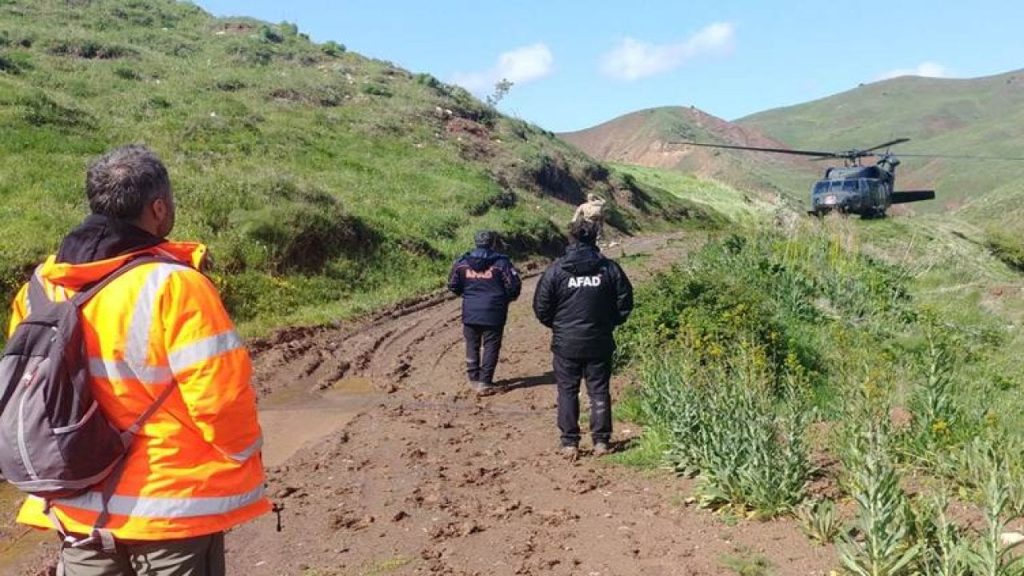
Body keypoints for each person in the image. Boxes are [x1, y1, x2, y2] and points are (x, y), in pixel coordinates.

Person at [7, 145, 269, 575]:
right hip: (170, 511)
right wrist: (244, 455)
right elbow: (220, 400)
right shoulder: (176, 286)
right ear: (159, 208)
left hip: (74, 506)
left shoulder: (41, 288)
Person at [533, 219, 633, 460]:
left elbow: (541, 307)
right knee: (599, 390)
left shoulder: (556, 270)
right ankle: (601, 441)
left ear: (571, 238)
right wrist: (607, 324)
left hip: (566, 343)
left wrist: (559, 327)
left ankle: (569, 443)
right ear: (594, 238)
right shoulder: (609, 269)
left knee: (567, 390)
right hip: (599, 340)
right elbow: (625, 303)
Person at [447, 230, 522, 395]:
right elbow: (514, 286)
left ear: (476, 242)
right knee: (491, 346)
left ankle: (473, 379)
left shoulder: (462, 263)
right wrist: (506, 299)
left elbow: (452, 284)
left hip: (470, 310)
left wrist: (468, 295)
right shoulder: (501, 263)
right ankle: (485, 382)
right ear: (493, 243)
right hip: (494, 312)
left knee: (471, 345)